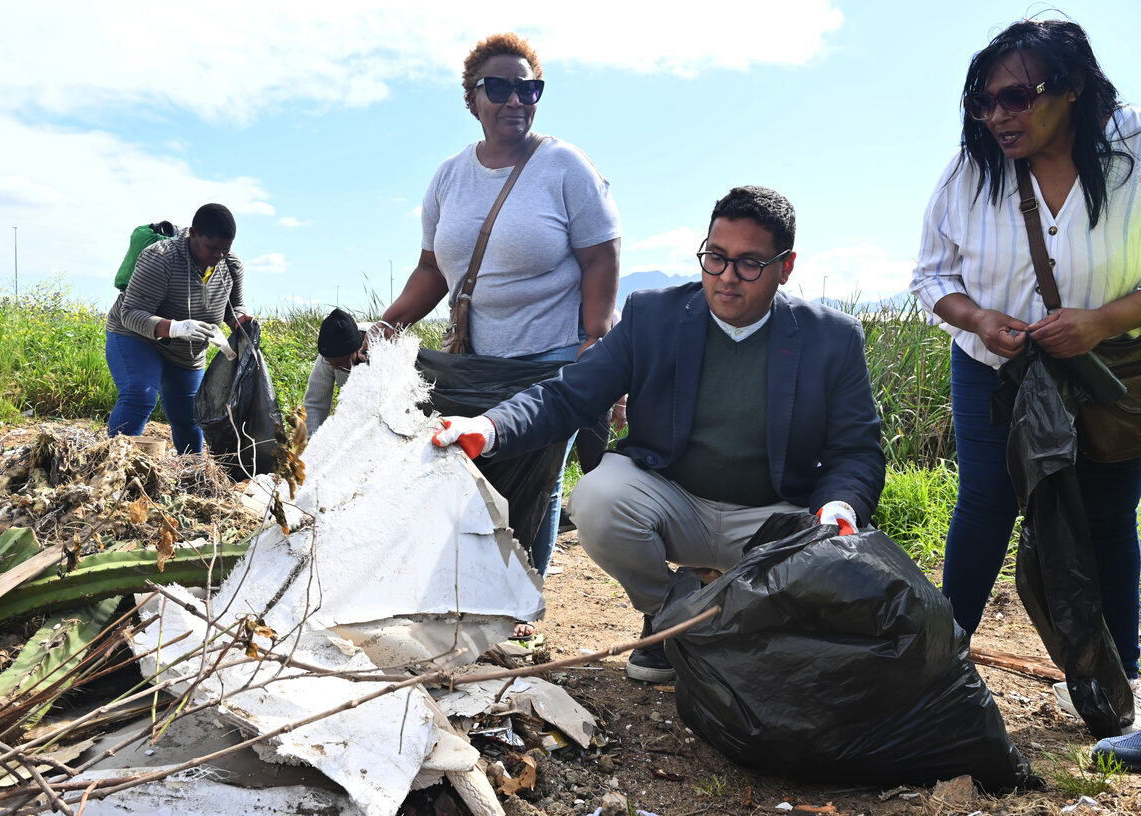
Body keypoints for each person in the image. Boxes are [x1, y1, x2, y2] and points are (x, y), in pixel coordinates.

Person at [433, 186, 885, 682]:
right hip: (675, 503)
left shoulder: (832, 338)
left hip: (770, 522)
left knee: (799, 637)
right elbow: (568, 396)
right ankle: (669, 615)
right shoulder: (653, 317)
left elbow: (855, 452)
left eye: (749, 264)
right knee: (599, 497)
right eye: (715, 258)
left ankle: (732, 621)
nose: (727, 278)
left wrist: (839, 510)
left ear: (786, 266)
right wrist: (488, 427)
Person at [909, 18, 1141, 723]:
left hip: (1113, 367)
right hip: (994, 369)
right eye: (982, 102)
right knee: (986, 502)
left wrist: (1101, 321)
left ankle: (1120, 689)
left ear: (1069, 89)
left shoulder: (1132, 147)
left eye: (1014, 98)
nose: (996, 116)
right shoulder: (969, 170)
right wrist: (979, 319)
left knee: (1106, 516)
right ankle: (939, 669)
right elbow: (930, 275)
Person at [372, 32, 621, 598]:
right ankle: (477, 591)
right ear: (473, 98)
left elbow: (600, 254)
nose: (516, 100)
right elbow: (433, 270)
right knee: (474, 471)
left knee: (537, 476)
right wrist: (388, 327)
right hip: (476, 360)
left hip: (552, 353)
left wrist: (594, 338)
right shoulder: (449, 177)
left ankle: (522, 599)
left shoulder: (564, 166)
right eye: (501, 87)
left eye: (529, 88)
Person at [105, 203, 250, 454]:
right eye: (212, 248)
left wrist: (241, 322)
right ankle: (115, 465)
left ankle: (192, 472)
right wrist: (174, 328)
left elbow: (233, 306)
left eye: (225, 249)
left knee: (189, 415)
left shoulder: (230, 266)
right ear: (193, 234)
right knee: (141, 395)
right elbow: (130, 313)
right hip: (137, 337)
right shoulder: (161, 257)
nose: (218, 255)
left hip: (187, 351)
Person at [304, 309, 367, 438]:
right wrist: (313, 443)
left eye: (341, 362)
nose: (335, 367)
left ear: (357, 351)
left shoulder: (383, 349)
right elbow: (315, 404)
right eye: (331, 363)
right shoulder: (326, 359)